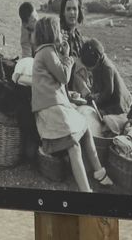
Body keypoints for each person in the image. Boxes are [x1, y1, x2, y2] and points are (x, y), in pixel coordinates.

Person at [31, 17, 112, 192]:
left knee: (84, 128)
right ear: (52, 34)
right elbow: (63, 77)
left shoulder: (47, 52)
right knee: (73, 146)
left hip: (53, 106)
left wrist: (62, 55)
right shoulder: (46, 52)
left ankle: (99, 171)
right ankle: (86, 191)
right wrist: (68, 57)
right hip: (51, 109)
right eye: (59, 30)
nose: (62, 33)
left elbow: (56, 80)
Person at [79, 38, 132, 115]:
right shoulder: (98, 64)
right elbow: (96, 83)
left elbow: (108, 91)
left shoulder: (107, 68)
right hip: (106, 98)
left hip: (117, 101)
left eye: (89, 67)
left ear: (97, 60)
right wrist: (93, 95)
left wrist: (97, 101)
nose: (88, 69)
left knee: (101, 116)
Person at [59, 0, 90, 97]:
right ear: (63, 12)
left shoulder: (77, 34)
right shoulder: (59, 34)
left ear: (79, 11)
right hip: (65, 83)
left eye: (75, 9)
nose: (72, 12)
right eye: (68, 9)